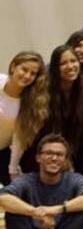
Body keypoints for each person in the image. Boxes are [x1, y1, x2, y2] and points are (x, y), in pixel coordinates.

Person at [1, 51, 47, 182]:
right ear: (13, 67)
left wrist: (13, 169)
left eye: (33, 74)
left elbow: (19, 141)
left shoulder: (30, 104)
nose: (27, 76)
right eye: (24, 69)